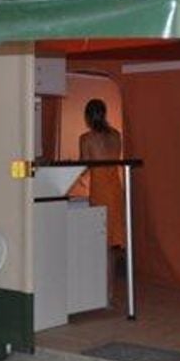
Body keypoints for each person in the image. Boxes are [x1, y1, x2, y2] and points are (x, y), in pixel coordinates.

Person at [79, 99, 126, 262]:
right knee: (113, 240)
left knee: (100, 237)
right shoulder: (116, 135)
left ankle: (100, 283)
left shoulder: (86, 139)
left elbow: (83, 166)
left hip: (99, 190)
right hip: (115, 188)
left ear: (87, 117)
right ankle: (110, 286)